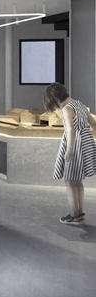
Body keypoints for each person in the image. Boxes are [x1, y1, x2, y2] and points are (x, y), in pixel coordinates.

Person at [44, 83, 96, 224]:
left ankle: (74, 214)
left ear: (54, 99)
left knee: (69, 181)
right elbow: (93, 122)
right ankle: (79, 213)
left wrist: (69, 150)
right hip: (85, 144)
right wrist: (89, 138)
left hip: (75, 145)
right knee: (77, 181)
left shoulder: (67, 108)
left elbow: (70, 130)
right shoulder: (79, 104)